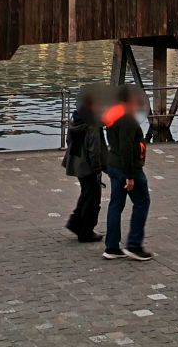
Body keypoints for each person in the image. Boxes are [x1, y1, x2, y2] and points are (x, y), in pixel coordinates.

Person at [101, 85, 152, 261]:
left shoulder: (112, 116)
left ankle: (112, 247)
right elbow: (126, 149)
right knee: (142, 202)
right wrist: (130, 176)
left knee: (116, 204)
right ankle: (134, 245)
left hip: (114, 165)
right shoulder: (127, 120)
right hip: (128, 169)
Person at [62, 90, 106, 242]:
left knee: (86, 193)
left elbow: (69, 141)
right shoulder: (92, 122)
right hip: (88, 164)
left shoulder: (76, 118)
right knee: (93, 197)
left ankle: (75, 223)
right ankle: (86, 230)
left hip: (76, 161)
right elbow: (94, 148)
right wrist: (98, 169)